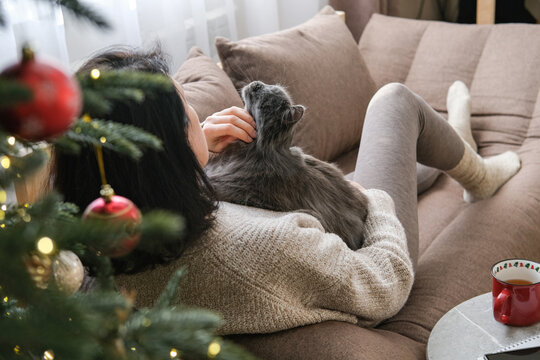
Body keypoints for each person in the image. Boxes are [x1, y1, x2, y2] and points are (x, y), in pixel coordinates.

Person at [54, 48, 520, 334]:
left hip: (292, 211)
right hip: (372, 251)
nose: (202, 116)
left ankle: (445, 152)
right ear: (168, 154)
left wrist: (198, 153)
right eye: (190, 114)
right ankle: (477, 175)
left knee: (392, 165)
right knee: (394, 102)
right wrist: (370, 198)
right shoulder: (259, 251)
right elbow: (386, 283)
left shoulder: (85, 259)